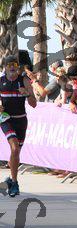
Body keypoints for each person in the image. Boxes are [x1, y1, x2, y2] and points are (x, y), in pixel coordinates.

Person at [0, 55, 37, 196]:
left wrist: (27, 94)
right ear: (4, 67)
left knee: (15, 153)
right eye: (9, 65)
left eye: (14, 65)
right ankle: (15, 183)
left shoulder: (24, 81)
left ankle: (10, 179)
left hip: (21, 120)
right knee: (14, 148)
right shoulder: (1, 81)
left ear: (18, 67)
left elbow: (34, 104)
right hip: (6, 120)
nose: (11, 67)